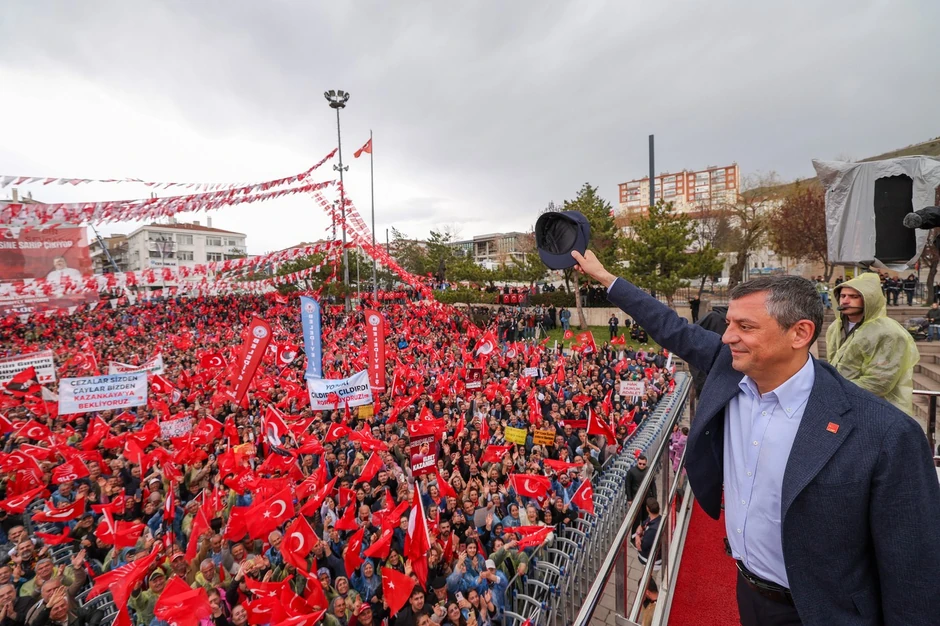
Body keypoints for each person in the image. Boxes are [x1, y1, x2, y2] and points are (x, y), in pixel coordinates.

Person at [571, 248, 940, 626]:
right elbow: (667, 324)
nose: (727, 337)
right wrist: (604, 278)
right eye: (730, 323)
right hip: (747, 590)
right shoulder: (726, 367)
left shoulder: (887, 434)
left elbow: (915, 576)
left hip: (823, 611)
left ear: (800, 333)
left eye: (745, 327)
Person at [826, 273, 919, 417]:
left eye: (853, 297)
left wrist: (836, 389)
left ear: (870, 300)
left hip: (877, 411)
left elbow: (880, 382)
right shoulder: (835, 327)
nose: (845, 301)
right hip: (842, 408)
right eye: (843, 296)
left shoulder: (889, 332)